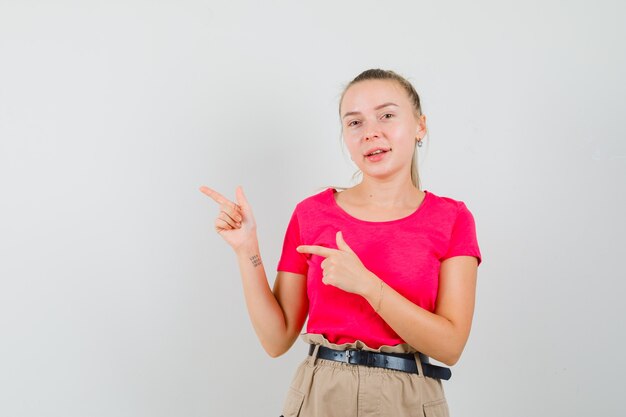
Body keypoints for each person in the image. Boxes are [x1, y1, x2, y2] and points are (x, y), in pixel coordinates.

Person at [200, 68, 481, 417]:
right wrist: (247, 250)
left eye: (387, 115)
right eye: (355, 123)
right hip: (321, 394)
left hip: (408, 398)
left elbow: (451, 346)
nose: (370, 132)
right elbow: (276, 340)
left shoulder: (452, 218)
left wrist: (367, 285)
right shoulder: (311, 213)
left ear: (420, 126)